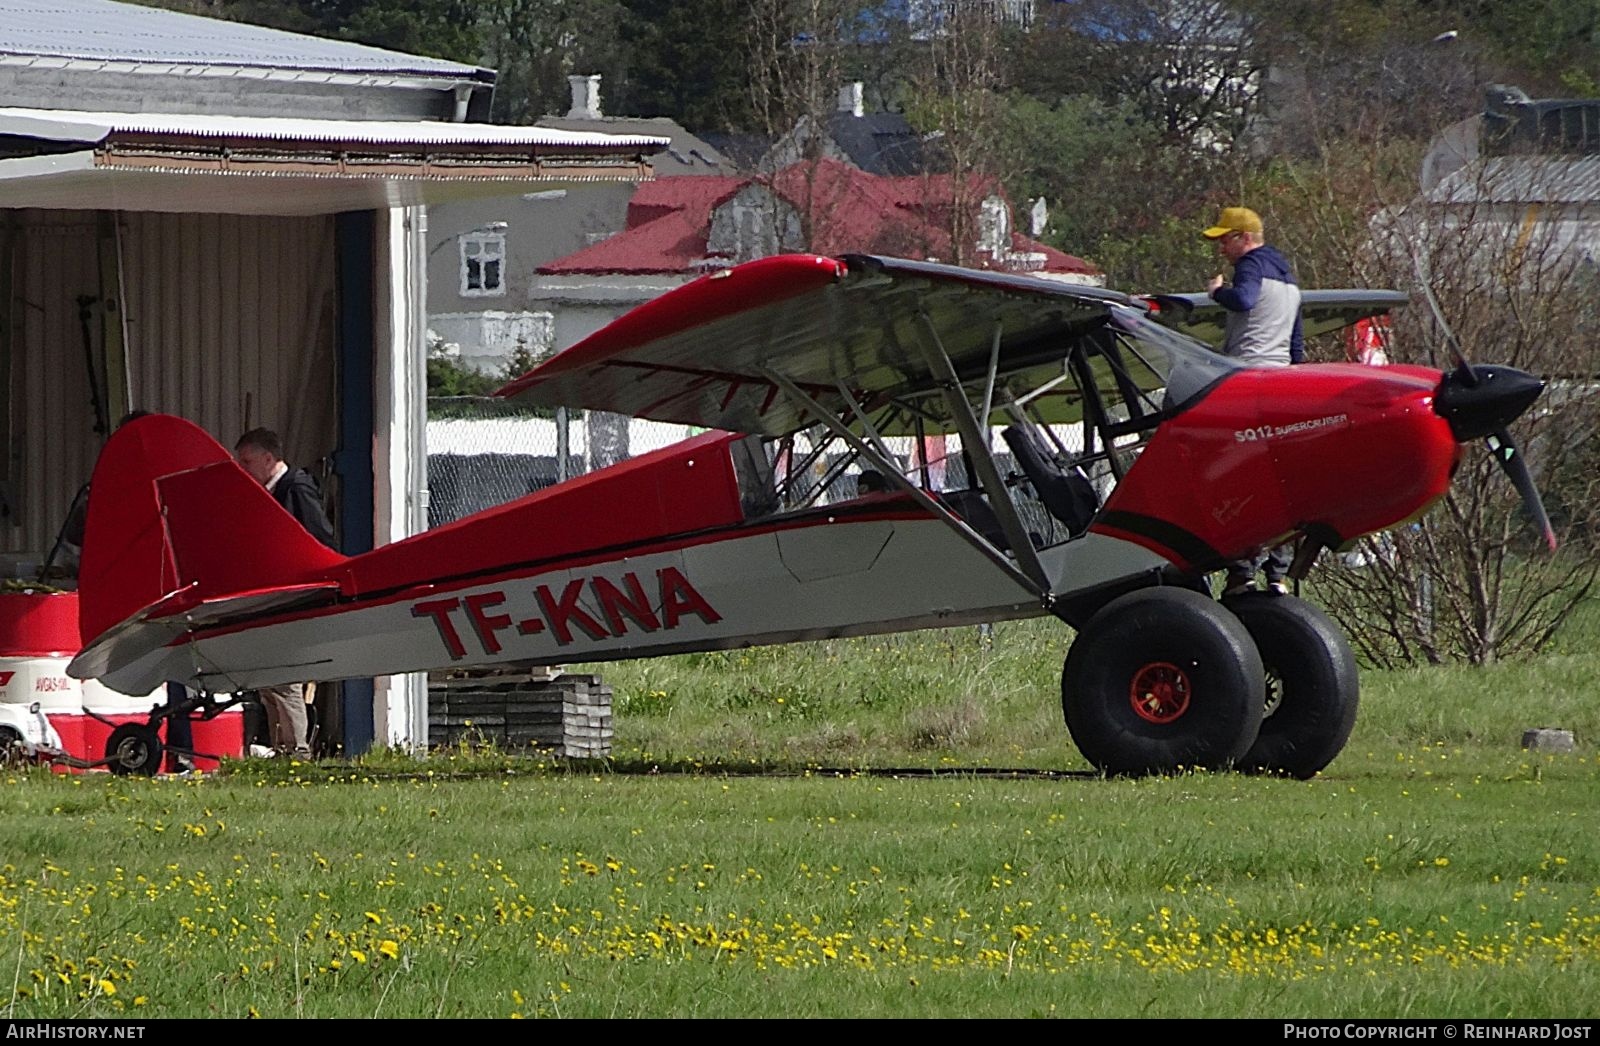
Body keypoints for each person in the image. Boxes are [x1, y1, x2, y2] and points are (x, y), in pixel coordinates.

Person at [1202, 206, 1302, 596]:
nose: (1222, 249)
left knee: (1236, 475)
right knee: (1278, 478)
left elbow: (1242, 300)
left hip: (1246, 379)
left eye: (1225, 240)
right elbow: (1296, 343)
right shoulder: (1289, 277)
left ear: (1244, 238)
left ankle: (1241, 572)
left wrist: (1215, 293)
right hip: (1280, 381)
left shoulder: (1251, 265)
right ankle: (1276, 574)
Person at [234, 427, 336, 758]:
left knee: (283, 678)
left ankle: (296, 751)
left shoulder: (296, 488)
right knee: (269, 679)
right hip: (274, 597)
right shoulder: (268, 492)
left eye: (247, 462)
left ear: (268, 459)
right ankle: (283, 749)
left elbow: (320, 537)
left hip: (293, 597)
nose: (243, 469)